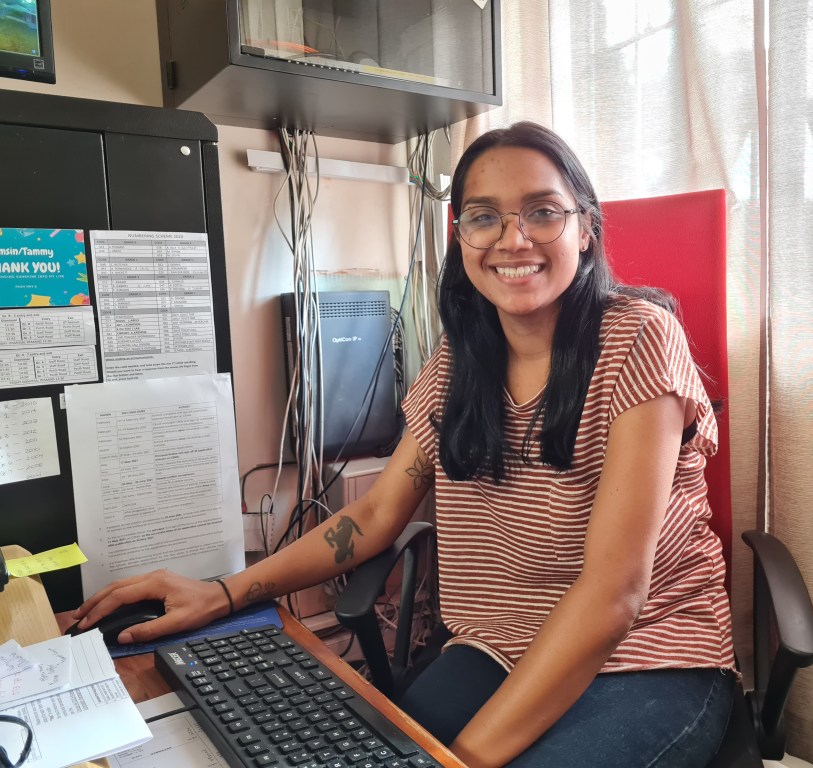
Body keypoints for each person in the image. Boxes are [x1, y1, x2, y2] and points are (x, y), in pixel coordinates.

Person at [73, 121, 736, 768]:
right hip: (500, 646)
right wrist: (225, 593)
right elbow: (374, 515)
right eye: (484, 217)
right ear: (461, 235)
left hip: (650, 654)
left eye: (542, 212)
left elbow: (614, 594)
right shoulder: (460, 361)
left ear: (586, 228)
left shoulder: (638, 339)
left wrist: (455, 760)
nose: (514, 239)